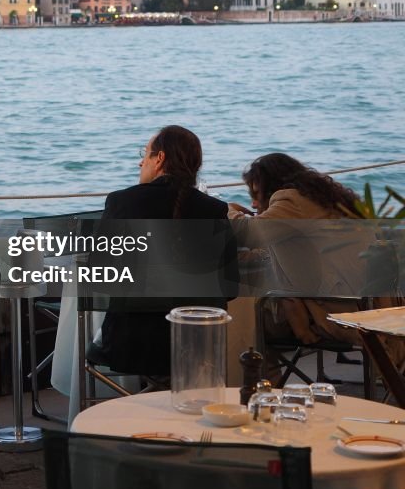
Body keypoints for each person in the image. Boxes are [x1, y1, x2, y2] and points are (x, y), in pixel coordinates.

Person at [90, 125, 238, 377]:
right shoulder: (214, 209)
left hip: (130, 343)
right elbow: (230, 288)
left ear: (159, 159)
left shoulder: (121, 202)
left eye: (144, 154)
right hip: (198, 344)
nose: (140, 163)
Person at [228, 152, 368, 351]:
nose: (253, 204)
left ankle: (262, 379)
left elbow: (249, 235)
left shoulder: (293, 201)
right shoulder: (325, 199)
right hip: (367, 305)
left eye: (256, 195)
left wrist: (226, 208)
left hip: (339, 313)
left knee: (244, 318)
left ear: (271, 188)